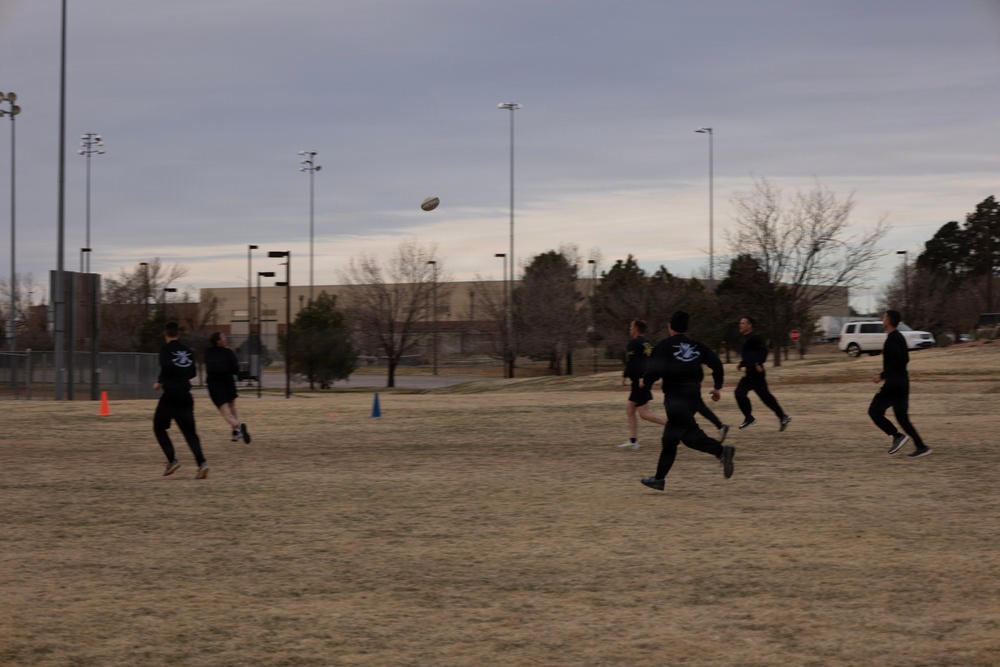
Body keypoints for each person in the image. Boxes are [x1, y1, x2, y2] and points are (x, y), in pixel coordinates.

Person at [638, 311, 735, 490]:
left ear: (670, 327)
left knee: (688, 436)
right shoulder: (696, 346)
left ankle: (721, 452)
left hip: (676, 400)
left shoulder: (665, 346)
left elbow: (654, 368)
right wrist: (717, 386)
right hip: (692, 398)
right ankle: (659, 479)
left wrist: (646, 381)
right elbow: (716, 363)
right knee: (670, 438)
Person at [868, 309, 932, 458]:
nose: (882, 320)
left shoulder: (891, 339)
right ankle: (921, 447)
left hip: (894, 384)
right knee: (902, 417)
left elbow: (896, 361)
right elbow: (905, 360)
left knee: (874, 411)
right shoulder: (900, 338)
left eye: (884, 318)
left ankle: (896, 436)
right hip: (903, 382)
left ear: (889, 321)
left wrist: (882, 375)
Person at [153, 321, 209, 479]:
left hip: (170, 396)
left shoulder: (164, 350)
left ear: (165, 333)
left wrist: (160, 381)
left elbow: (166, 367)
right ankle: (202, 464)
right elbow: (192, 373)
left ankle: (172, 460)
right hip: (186, 395)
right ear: (178, 333)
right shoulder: (187, 350)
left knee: (159, 427)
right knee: (190, 433)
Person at [734, 316, 791, 431]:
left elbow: (763, 351)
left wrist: (758, 363)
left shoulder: (755, 337)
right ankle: (779, 416)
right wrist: (742, 363)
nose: (740, 325)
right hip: (750, 372)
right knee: (750, 395)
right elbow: (750, 355)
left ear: (749, 326)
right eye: (740, 323)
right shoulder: (745, 339)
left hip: (756, 373)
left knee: (757, 396)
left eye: (743, 323)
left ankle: (779, 416)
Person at [619, 319, 666, 450]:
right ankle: (633, 441)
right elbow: (651, 361)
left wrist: (629, 375)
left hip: (640, 382)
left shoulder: (634, 343)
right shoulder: (647, 344)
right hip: (642, 381)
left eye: (631, 326)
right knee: (630, 410)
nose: (629, 328)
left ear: (635, 329)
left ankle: (672, 427)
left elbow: (633, 363)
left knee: (644, 413)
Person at [205, 332, 251, 444]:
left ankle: (237, 427)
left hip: (214, 385)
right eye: (223, 337)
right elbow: (235, 369)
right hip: (227, 383)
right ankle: (236, 430)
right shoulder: (228, 352)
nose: (225, 339)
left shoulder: (208, 352)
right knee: (231, 406)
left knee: (226, 413)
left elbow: (210, 367)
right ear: (218, 341)